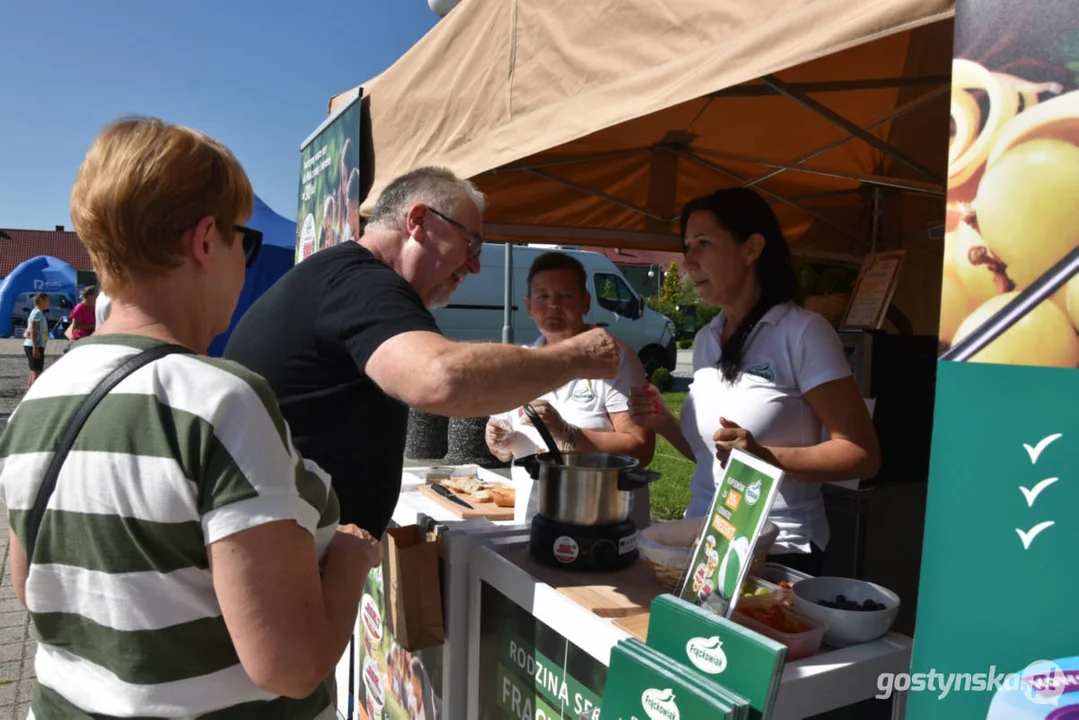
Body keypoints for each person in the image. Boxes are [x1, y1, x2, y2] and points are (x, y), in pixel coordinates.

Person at [0, 116, 381, 717]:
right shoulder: (219, 402)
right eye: (243, 240)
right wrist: (352, 563)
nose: (243, 261)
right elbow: (290, 666)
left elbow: (34, 588)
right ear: (206, 241)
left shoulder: (40, 398)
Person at [223, 167, 621, 538]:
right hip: (282, 556)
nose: (475, 265)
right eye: (472, 244)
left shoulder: (345, 277)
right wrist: (574, 356)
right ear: (418, 222)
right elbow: (443, 380)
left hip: (287, 546)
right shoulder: (363, 284)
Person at [628, 188, 880, 576]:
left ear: (752, 248)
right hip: (704, 545)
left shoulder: (804, 333)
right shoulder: (706, 338)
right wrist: (664, 421)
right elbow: (711, 457)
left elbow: (862, 453)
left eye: (703, 244)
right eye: (686, 245)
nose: (688, 261)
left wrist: (766, 458)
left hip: (778, 553)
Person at [485, 251, 655, 527]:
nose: (553, 306)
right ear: (528, 306)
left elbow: (641, 449)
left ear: (586, 303)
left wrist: (568, 433)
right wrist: (497, 439)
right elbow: (504, 447)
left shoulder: (614, 358)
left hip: (602, 517)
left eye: (565, 295)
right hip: (534, 516)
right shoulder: (522, 362)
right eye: (542, 296)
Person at [23, 292, 49, 387]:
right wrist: (35, 348)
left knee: (34, 370)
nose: (48, 303)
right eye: (47, 300)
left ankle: (29, 392)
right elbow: (33, 329)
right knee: (37, 372)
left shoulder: (35, 311)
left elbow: (29, 329)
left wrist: (26, 333)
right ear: (41, 300)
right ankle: (32, 394)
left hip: (33, 344)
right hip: (35, 345)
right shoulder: (37, 312)